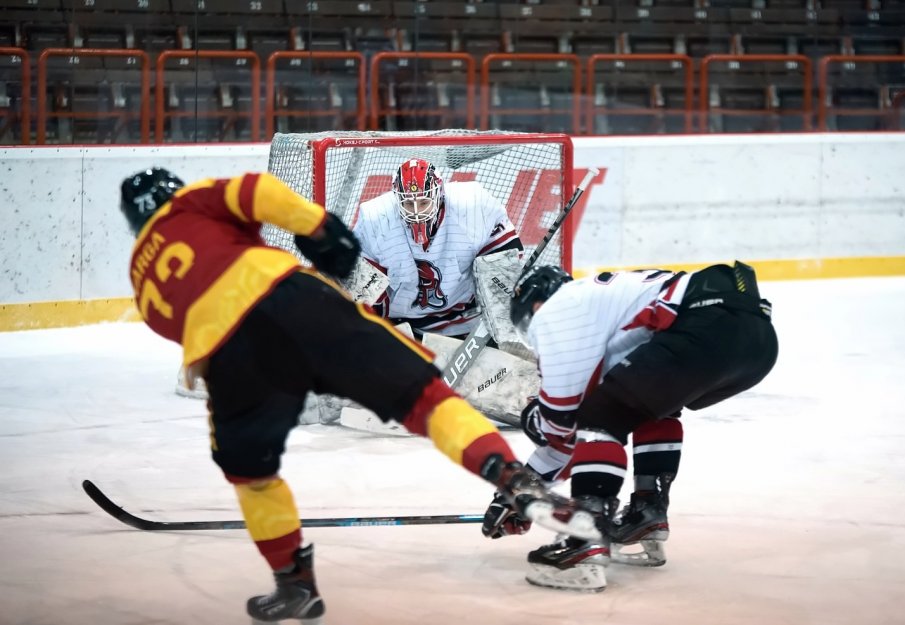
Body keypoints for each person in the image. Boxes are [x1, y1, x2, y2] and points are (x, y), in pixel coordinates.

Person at [119, 168, 596, 622]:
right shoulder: (189, 203)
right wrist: (319, 229)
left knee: (252, 477)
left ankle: (294, 584)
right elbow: (258, 191)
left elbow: (186, 327)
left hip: (229, 360)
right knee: (427, 399)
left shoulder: (140, 280)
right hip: (290, 300)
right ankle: (512, 477)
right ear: (171, 193)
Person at [482, 263, 778, 592]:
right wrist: (516, 491)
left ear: (537, 304)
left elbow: (561, 421)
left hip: (708, 323)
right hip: (757, 340)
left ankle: (586, 538)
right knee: (646, 408)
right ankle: (647, 512)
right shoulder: (604, 311)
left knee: (599, 417)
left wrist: (532, 418)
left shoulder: (559, 307)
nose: (534, 332)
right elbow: (570, 441)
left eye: (528, 321)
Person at [352, 158, 523, 340]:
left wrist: (502, 317)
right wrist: (371, 334)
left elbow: (504, 257)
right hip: (402, 326)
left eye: (424, 203)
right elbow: (362, 291)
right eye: (408, 204)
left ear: (439, 195)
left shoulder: (472, 206)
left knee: (499, 266)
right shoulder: (375, 220)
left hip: (465, 320)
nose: (416, 213)